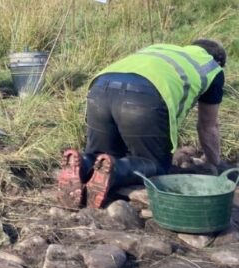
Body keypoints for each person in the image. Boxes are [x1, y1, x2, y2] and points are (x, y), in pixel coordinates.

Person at [58, 39, 226, 209]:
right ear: (218, 61)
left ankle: (83, 163)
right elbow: (207, 126)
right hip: (144, 97)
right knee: (155, 165)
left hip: (100, 89)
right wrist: (215, 164)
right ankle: (116, 171)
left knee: (101, 156)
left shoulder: (163, 48)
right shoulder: (212, 68)